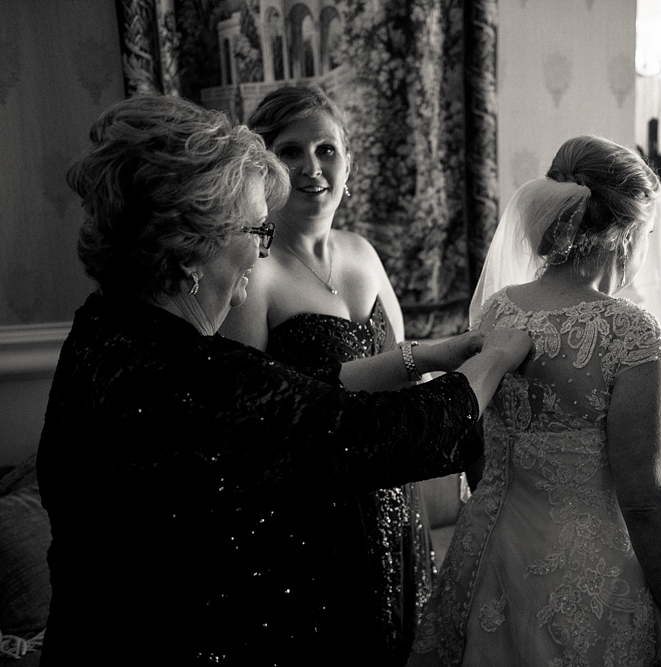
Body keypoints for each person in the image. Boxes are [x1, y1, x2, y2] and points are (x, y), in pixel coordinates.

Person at [35, 94, 532, 665]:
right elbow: (381, 430)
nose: (258, 254)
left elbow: (300, 400)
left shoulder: (103, 331)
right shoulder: (194, 379)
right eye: (253, 230)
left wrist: (430, 355)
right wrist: (495, 358)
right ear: (191, 247)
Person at [408, 136, 661, 666]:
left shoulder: (500, 311)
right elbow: (646, 501)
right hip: (589, 574)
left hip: (487, 552)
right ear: (627, 233)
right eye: (649, 232)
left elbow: (476, 444)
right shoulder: (629, 333)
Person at [218, 85, 434, 663]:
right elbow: (248, 424)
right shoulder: (254, 276)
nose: (312, 168)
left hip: (397, 500)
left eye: (326, 151)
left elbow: (406, 366)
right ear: (263, 168)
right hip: (312, 528)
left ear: (348, 163)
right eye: (291, 152)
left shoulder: (362, 252)